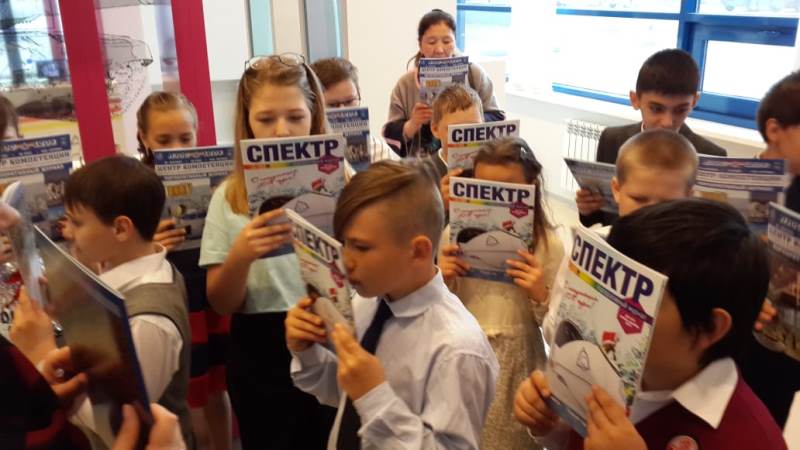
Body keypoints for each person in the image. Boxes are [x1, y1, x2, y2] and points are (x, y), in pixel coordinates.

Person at [515, 199, 787, 450]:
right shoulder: (603, 370)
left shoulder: (754, 439)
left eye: (636, 304)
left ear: (710, 328)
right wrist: (552, 427)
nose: (607, 317)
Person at [286, 160, 499, 449]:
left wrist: (374, 396)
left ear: (418, 251)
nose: (345, 261)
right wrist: (308, 352)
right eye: (343, 243)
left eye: (361, 247)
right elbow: (345, 395)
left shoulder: (457, 349)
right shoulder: (366, 303)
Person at [199, 54, 335, 449]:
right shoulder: (230, 196)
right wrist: (241, 256)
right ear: (247, 122)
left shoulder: (343, 183)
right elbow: (221, 302)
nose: (281, 131)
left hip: (327, 331)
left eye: (295, 117)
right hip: (259, 351)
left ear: (314, 116)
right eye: (265, 119)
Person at [439, 137, 564, 450]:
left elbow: (559, 330)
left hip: (517, 366)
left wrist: (541, 294)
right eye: (484, 189)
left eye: (508, 192)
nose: (495, 202)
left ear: (531, 188)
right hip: (463, 357)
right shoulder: (451, 238)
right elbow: (438, 311)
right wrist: (441, 280)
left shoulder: (548, 245)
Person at [64, 155, 192, 448]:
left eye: (77, 223)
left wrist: (40, 354)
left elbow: (117, 423)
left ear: (121, 229)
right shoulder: (133, 265)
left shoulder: (148, 321)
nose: (68, 232)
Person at [136, 91, 233, 450]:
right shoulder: (135, 186)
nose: (176, 148)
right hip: (173, 297)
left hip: (209, 289)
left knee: (218, 387)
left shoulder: (217, 178)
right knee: (188, 393)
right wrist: (149, 245)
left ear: (197, 134)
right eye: (164, 140)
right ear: (144, 137)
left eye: (185, 138)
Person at [544, 129, 698, 342]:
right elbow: (552, 331)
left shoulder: (696, 264)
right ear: (616, 189)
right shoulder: (589, 248)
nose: (649, 213)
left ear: (688, 197)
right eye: (639, 199)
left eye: (667, 203)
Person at [577, 48, 726, 227]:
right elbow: (600, 218)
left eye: (680, 110)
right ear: (635, 100)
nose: (667, 122)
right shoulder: (612, 139)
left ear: (694, 101)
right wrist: (587, 210)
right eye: (656, 109)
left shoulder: (711, 154)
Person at [740, 70, 800, 428]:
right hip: (739, 339)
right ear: (775, 129)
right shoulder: (743, 183)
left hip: (786, 354)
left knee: (768, 426)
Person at [382, 9, 504, 158]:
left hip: (470, 162)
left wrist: (470, 120)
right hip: (422, 167)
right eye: (431, 42)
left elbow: (498, 118)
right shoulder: (405, 84)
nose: (439, 49)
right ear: (420, 45)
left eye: (447, 41)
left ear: (455, 42)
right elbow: (389, 135)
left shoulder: (474, 74)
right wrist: (413, 123)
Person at [309, 57, 399, 177]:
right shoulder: (303, 152)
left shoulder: (379, 152)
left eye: (349, 101)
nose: (343, 111)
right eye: (332, 105)